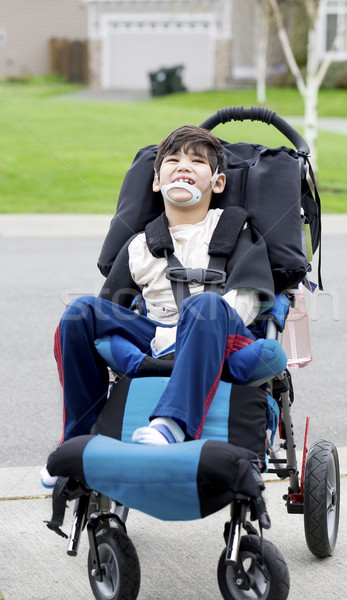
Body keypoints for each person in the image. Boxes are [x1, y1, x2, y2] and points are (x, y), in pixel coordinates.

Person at [41, 125, 282, 486]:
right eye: (173, 160)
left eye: (197, 161)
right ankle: (79, 441)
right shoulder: (139, 244)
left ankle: (172, 423)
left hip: (220, 331)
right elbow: (114, 307)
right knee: (81, 313)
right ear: (156, 181)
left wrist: (187, 326)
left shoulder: (235, 228)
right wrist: (159, 334)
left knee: (206, 306)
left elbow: (249, 297)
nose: (183, 166)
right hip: (155, 332)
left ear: (217, 184)